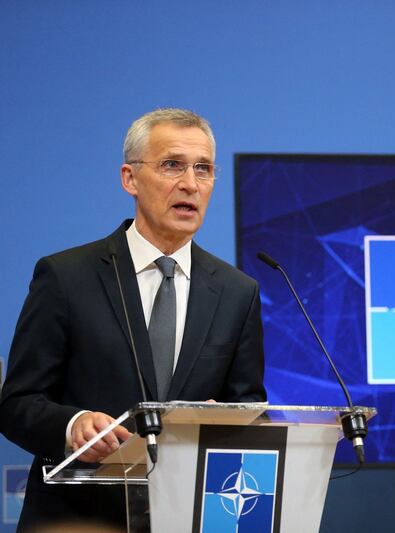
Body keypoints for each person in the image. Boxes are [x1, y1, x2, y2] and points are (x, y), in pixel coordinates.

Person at [0, 108, 266, 530]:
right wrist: (72, 425)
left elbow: (249, 407)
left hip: (189, 517)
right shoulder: (66, 276)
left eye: (204, 169)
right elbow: (17, 404)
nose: (190, 184)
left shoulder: (238, 292)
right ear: (130, 178)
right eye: (172, 165)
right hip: (79, 517)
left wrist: (227, 421)